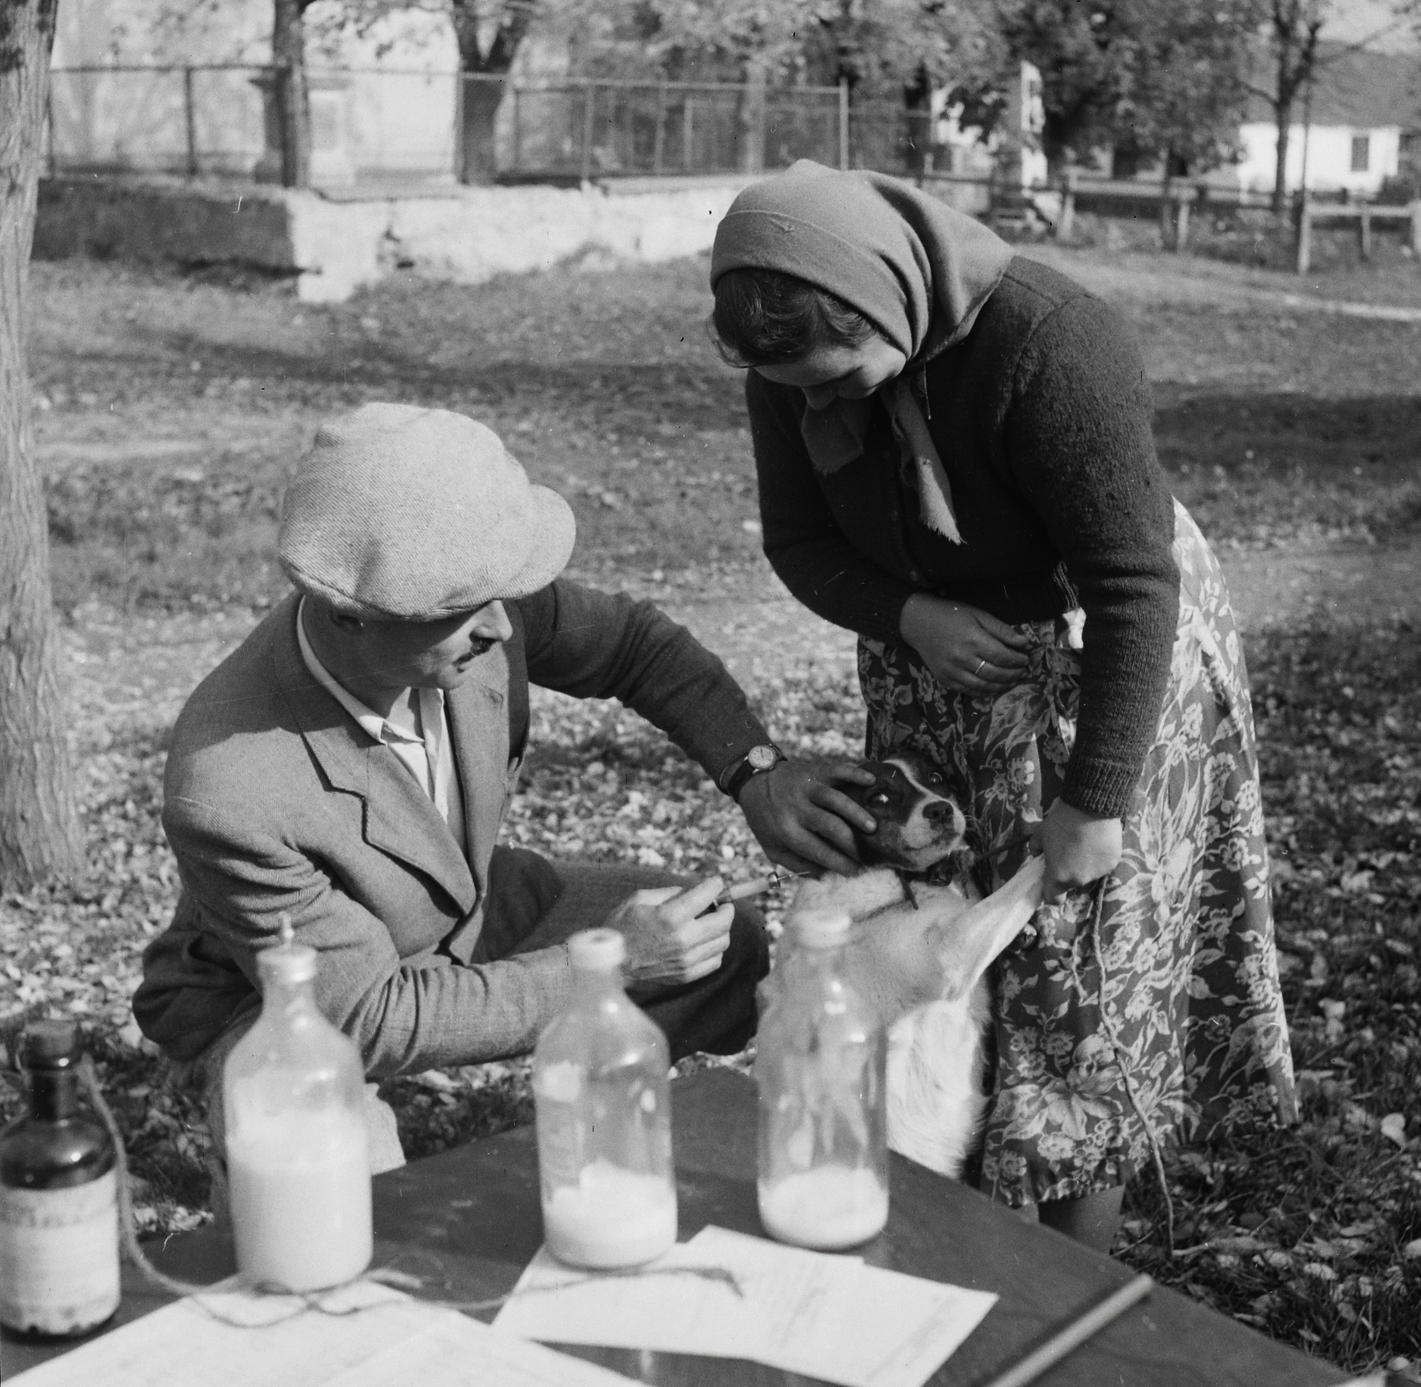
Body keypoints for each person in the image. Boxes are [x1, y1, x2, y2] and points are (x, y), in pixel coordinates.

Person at [708, 161, 1298, 1251]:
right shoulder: (789, 366)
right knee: (935, 956)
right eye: (799, 388)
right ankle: (950, 1223)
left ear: (884, 297)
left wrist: (1096, 797)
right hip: (936, 667)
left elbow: (1131, 580)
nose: (821, 406)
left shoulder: (1052, 341)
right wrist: (911, 613)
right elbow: (800, 544)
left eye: (842, 375)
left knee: (1080, 970)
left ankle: (1066, 1281)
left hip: (1106, 661)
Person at [133, 402, 875, 1186]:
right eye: (460, 610)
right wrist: (609, 961)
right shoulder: (228, 783)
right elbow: (364, 1018)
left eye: (501, 595)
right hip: (286, 1002)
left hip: (456, 912)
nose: (499, 624)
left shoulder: (484, 609)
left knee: (724, 947)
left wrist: (753, 771)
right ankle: (227, 1100)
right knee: (347, 1180)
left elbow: (632, 644)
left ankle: (587, 1144)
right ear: (351, 615)